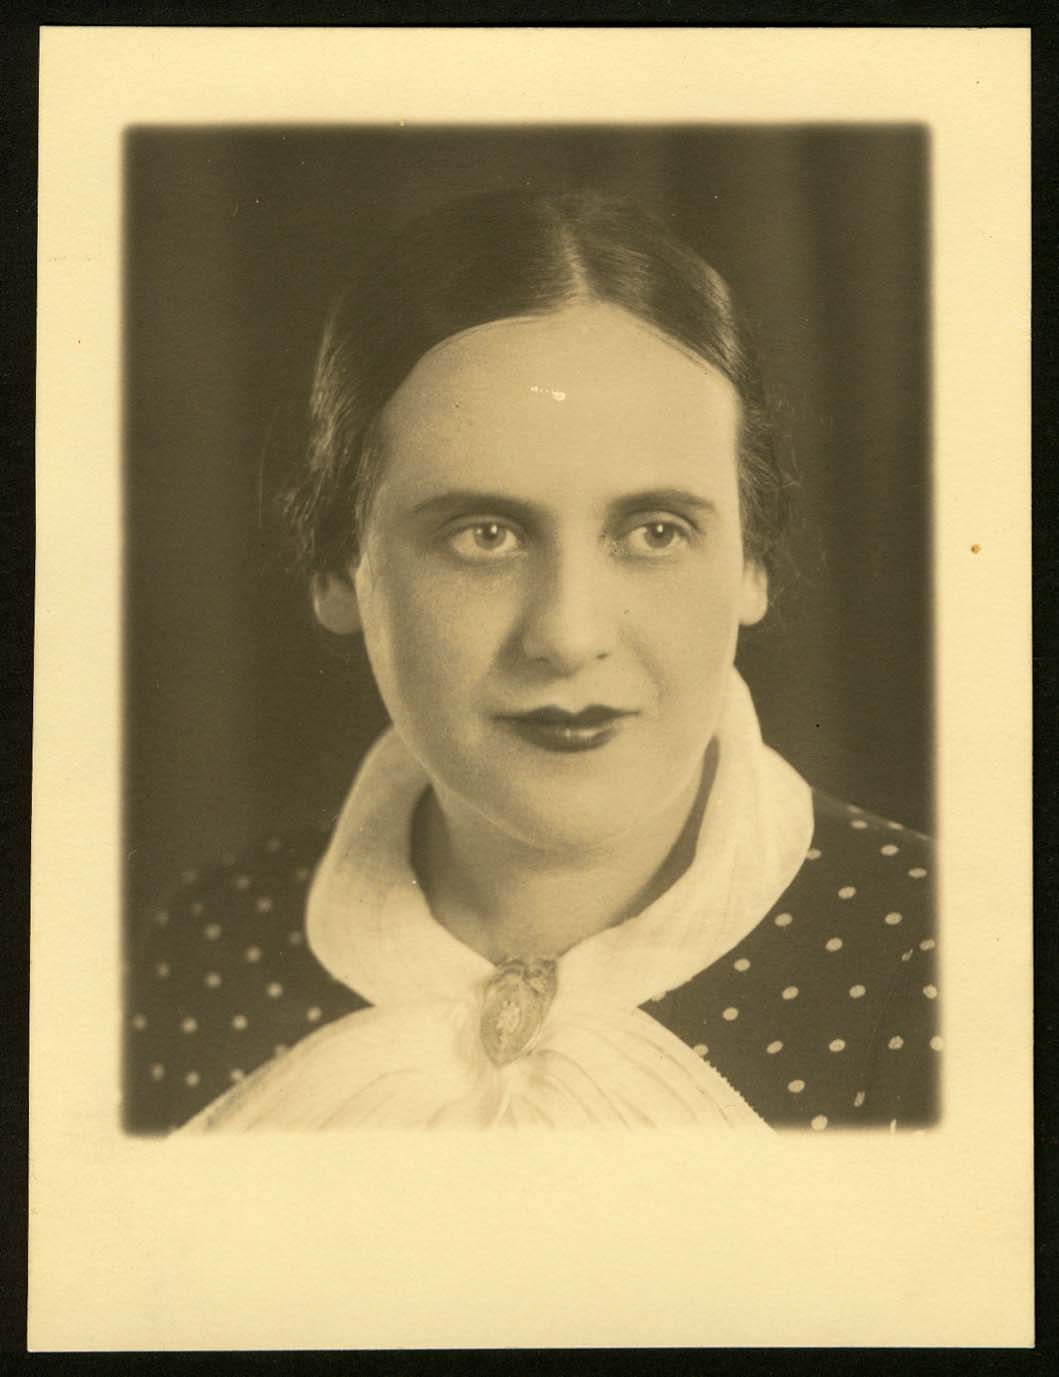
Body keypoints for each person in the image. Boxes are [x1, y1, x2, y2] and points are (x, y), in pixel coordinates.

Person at [125, 188, 938, 1132]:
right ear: (339, 567)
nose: (568, 633)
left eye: (655, 530)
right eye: (485, 534)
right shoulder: (208, 947)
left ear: (750, 560)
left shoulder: (939, 955)